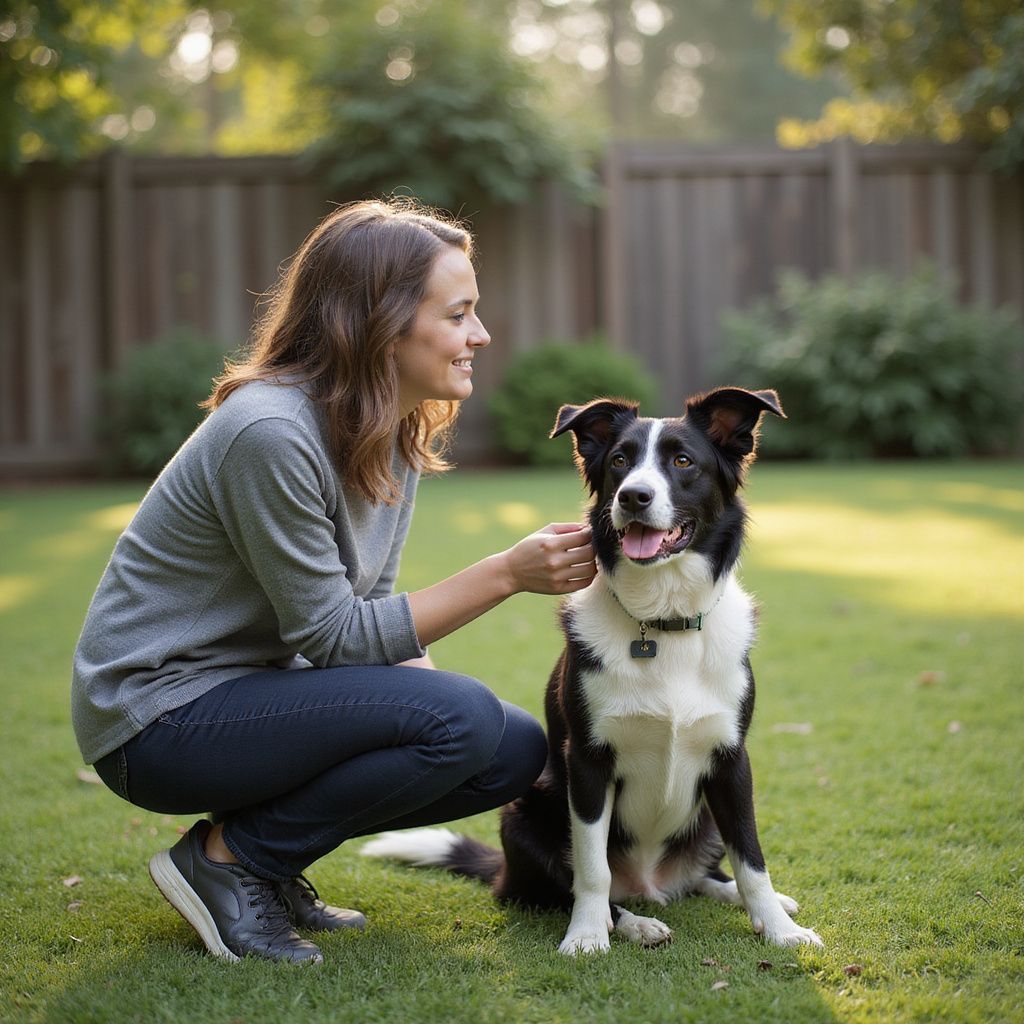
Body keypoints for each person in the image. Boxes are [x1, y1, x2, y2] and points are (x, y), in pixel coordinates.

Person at [71, 199, 597, 965]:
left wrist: (439, 714)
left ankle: (264, 858)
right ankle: (228, 864)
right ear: (381, 323)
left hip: (247, 696)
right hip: (154, 718)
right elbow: (332, 636)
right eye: (458, 315)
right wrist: (506, 575)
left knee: (508, 748)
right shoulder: (271, 432)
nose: (480, 335)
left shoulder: (392, 430)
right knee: (465, 719)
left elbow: (368, 615)